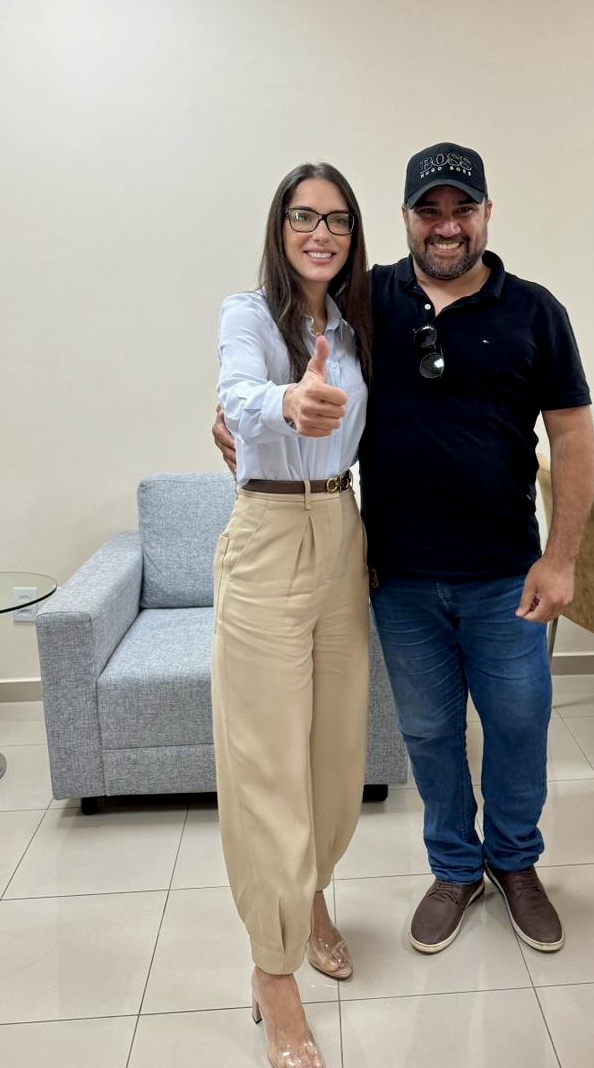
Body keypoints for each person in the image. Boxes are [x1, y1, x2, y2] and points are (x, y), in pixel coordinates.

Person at [214, 141, 594, 962]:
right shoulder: (370, 300)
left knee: (519, 725)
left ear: (487, 215)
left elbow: (572, 437)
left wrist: (562, 558)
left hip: (506, 576)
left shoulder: (536, 311)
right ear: (405, 220)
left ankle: (515, 863)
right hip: (399, 577)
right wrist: (241, 417)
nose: (446, 226)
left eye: (463, 209)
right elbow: (274, 367)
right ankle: (454, 869)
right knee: (428, 733)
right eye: (430, 210)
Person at [213, 161, 371, 1068]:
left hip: (342, 530)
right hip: (269, 533)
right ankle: (273, 973)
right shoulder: (247, 315)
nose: (321, 233)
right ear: (280, 228)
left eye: (338, 220)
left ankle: (309, 895)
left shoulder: (356, 324)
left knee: (334, 754)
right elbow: (238, 393)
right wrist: (286, 402)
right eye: (304, 217)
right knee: (267, 764)